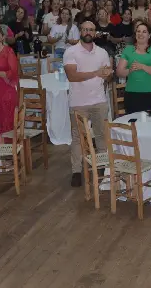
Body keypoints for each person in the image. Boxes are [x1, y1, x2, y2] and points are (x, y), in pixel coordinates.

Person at [64, 21, 113, 187]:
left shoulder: (102, 53)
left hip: (99, 100)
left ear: (95, 33)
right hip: (78, 102)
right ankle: (76, 171)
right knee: (78, 138)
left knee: (101, 136)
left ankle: (102, 167)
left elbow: (108, 75)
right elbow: (72, 76)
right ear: (80, 32)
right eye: (85, 29)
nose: (88, 32)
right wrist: (96, 73)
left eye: (91, 30)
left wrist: (107, 74)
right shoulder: (70, 52)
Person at [116, 22, 151, 113]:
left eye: (144, 32)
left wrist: (142, 66)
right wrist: (129, 70)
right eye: (138, 31)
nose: (140, 34)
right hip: (132, 94)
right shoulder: (128, 49)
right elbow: (119, 72)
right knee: (134, 124)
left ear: (149, 35)